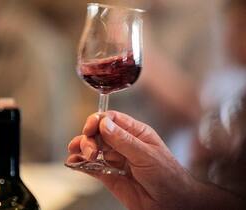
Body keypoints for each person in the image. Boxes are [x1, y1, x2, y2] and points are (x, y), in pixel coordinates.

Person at [66, 0, 246, 209]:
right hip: (98, 168)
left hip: (168, 159)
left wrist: (149, 60)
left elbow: (201, 109)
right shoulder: (114, 8)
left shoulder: (201, 16)